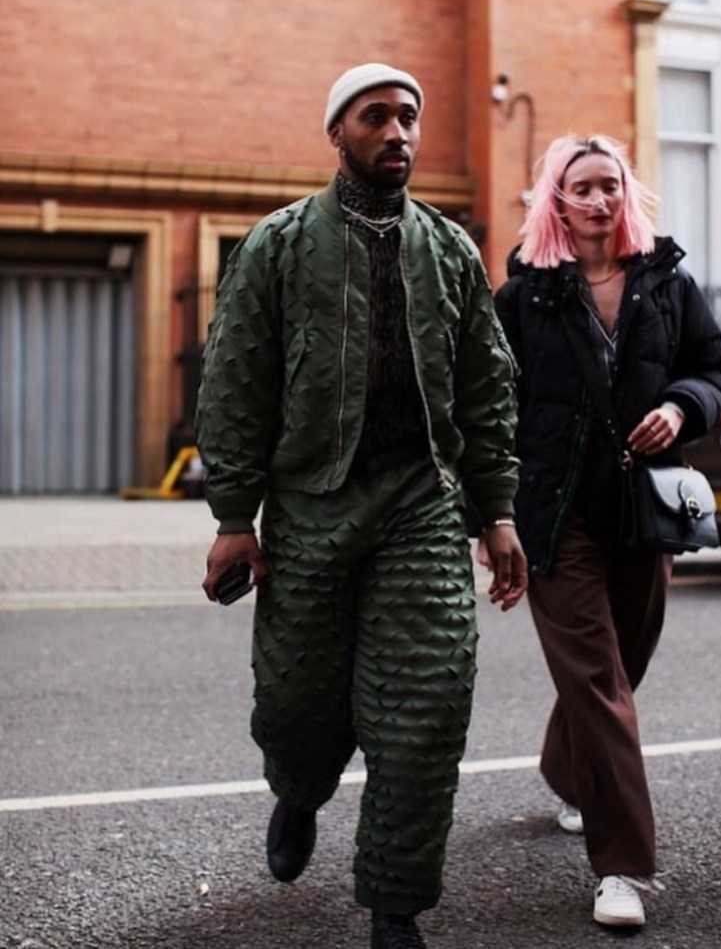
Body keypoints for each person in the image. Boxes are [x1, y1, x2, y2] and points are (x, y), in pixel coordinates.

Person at [195, 62, 527, 949]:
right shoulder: (278, 244)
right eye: (375, 116)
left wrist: (497, 511)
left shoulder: (449, 249)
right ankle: (299, 791)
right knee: (297, 702)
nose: (397, 133)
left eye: (408, 116)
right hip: (310, 505)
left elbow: (487, 389)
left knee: (427, 706)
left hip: (422, 503)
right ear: (337, 132)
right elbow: (234, 381)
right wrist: (233, 517)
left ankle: (395, 904)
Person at [485, 134, 721, 928]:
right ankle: (622, 867)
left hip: (642, 510)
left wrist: (681, 408)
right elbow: (487, 409)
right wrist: (492, 516)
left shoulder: (668, 283)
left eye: (610, 185)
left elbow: (711, 371)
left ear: (627, 195)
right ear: (556, 202)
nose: (599, 199)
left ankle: (568, 768)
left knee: (624, 665)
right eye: (582, 187)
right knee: (597, 681)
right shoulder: (523, 298)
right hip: (555, 517)